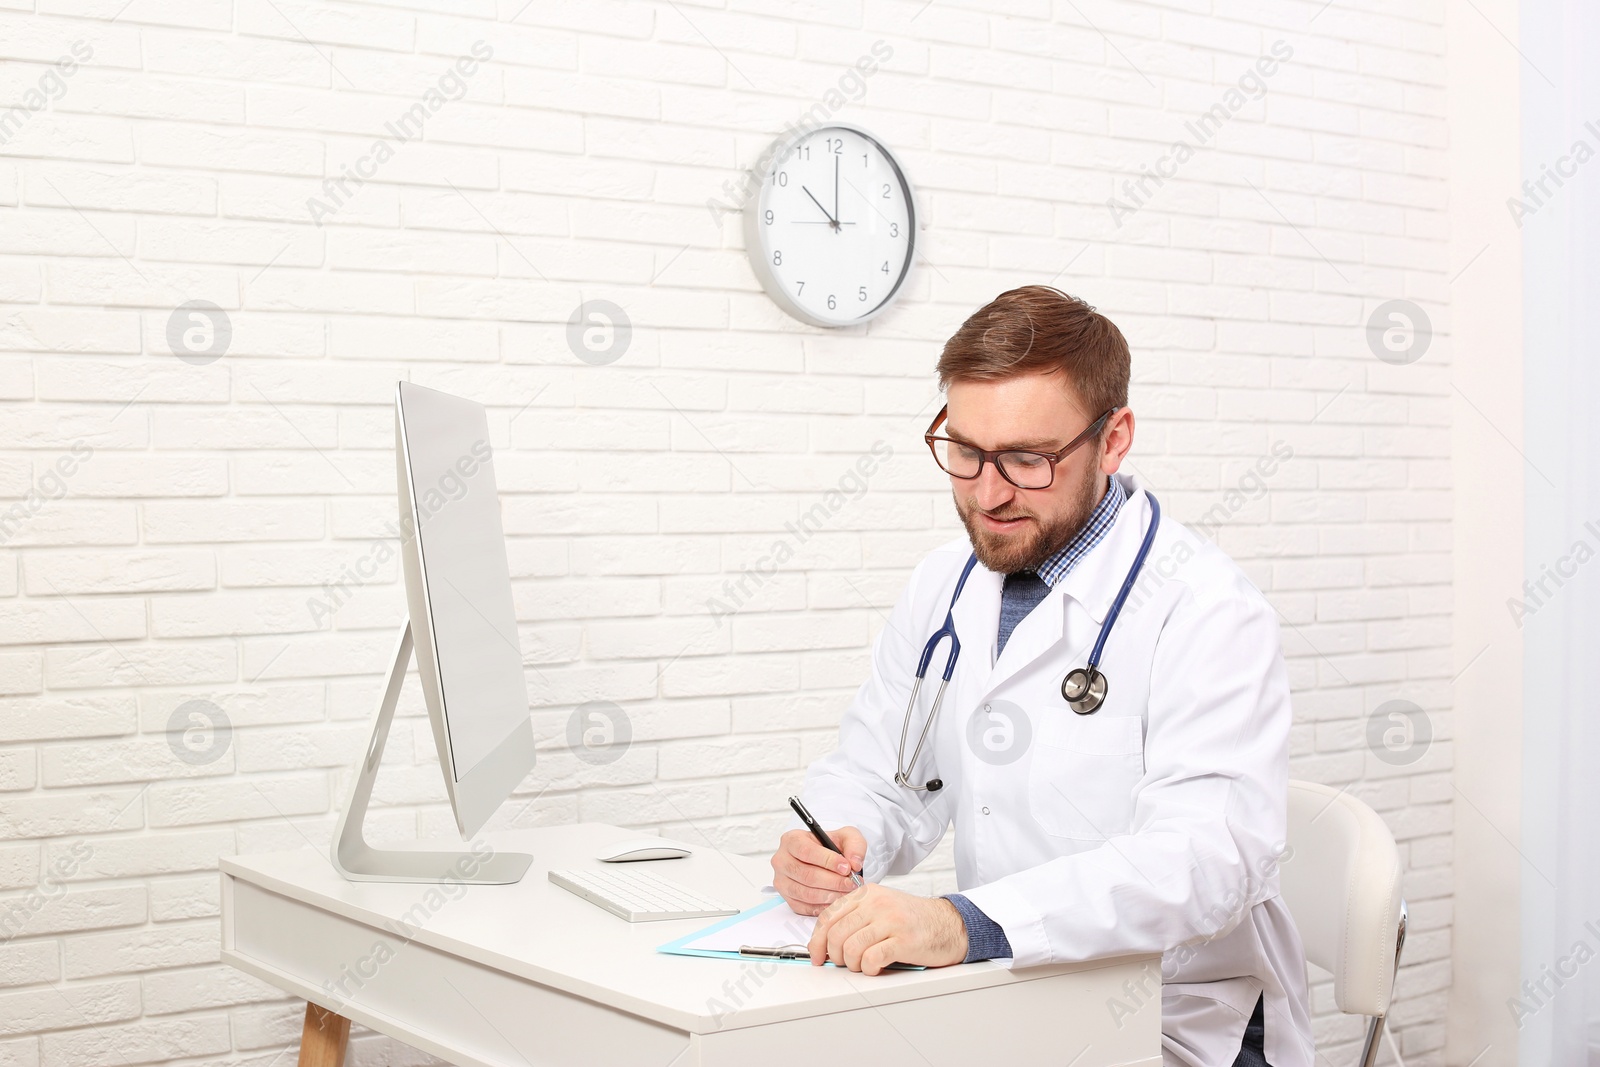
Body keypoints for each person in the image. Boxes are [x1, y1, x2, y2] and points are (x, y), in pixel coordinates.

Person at [768, 286, 1314, 1067]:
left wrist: (967, 923)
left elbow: (1207, 859)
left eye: (1027, 459)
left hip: (1175, 1019)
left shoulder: (1205, 609)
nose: (988, 493)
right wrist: (832, 839)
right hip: (1003, 1001)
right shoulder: (943, 586)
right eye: (965, 452)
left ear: (1114, 438)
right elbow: (883, 775)